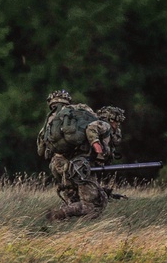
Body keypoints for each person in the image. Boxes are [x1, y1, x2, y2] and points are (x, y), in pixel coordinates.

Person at [38, 90, 112, 221]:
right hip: (80, 165)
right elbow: (92, 129)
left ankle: (68, 228)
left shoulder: (49, 123)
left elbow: (41, 152)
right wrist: (99, 152)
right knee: (92, 206)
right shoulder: (78, 112)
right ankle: (59, 214)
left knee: (72, 199)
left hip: (60, 167)